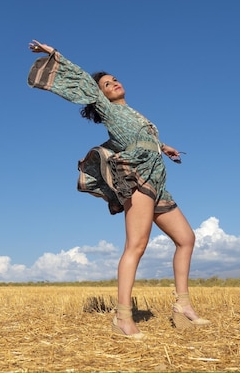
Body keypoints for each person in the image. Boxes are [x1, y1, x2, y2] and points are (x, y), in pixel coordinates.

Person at [27, 40, 210, 338]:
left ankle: (183, 308)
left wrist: (164, 148)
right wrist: (54, 55)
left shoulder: (135, 114)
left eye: (114, 80)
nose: (113, 84)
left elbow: (140, 137)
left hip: (158, 180)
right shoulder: (107, 109)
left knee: (186, 238)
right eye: (106, 84)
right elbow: (84, 80)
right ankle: (122, 318)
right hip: (136, 177)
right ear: (98, 95)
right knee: (136, 246)